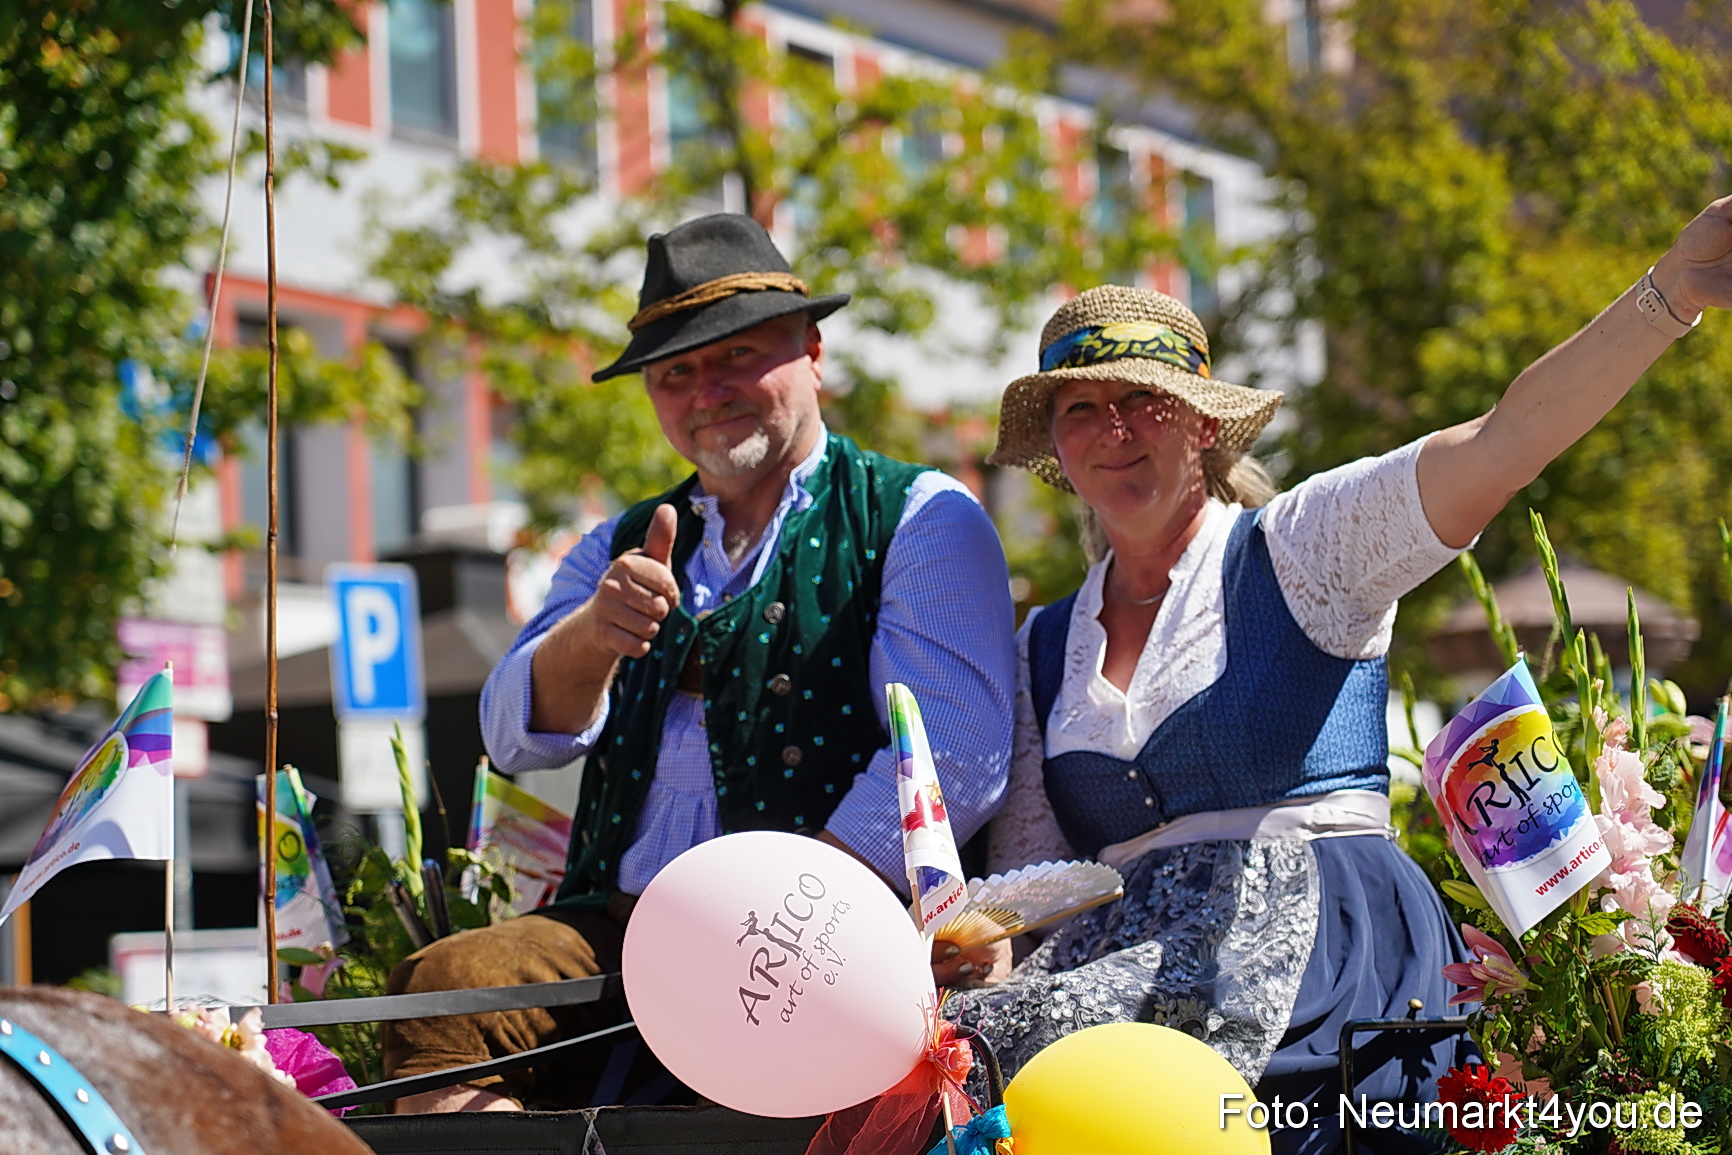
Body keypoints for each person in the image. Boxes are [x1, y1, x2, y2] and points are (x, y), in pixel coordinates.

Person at [960, 196, 1732, 1153]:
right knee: (964, 1052)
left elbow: (1500, 444)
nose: (1114, 427)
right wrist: (983, 952)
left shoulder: (1302, 548)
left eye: (1142, 398)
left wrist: (1670, 293)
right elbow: (1036, 890)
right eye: (1082, 408)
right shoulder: (1043, 643)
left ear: (1203, 423)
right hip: (1126, 972)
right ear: (1057, 448)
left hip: (1322, 956)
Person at [383, 213, 1018, 1112]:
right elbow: (512, 736)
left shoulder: (919, 513)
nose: (706, 391)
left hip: (824, 941)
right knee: (441, 996)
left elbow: (955, 751)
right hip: (623, 925)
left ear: (813, 351)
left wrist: (784, 922)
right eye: (675, 373)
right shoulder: (618, 539)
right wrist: (593, 635)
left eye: (736, 355)